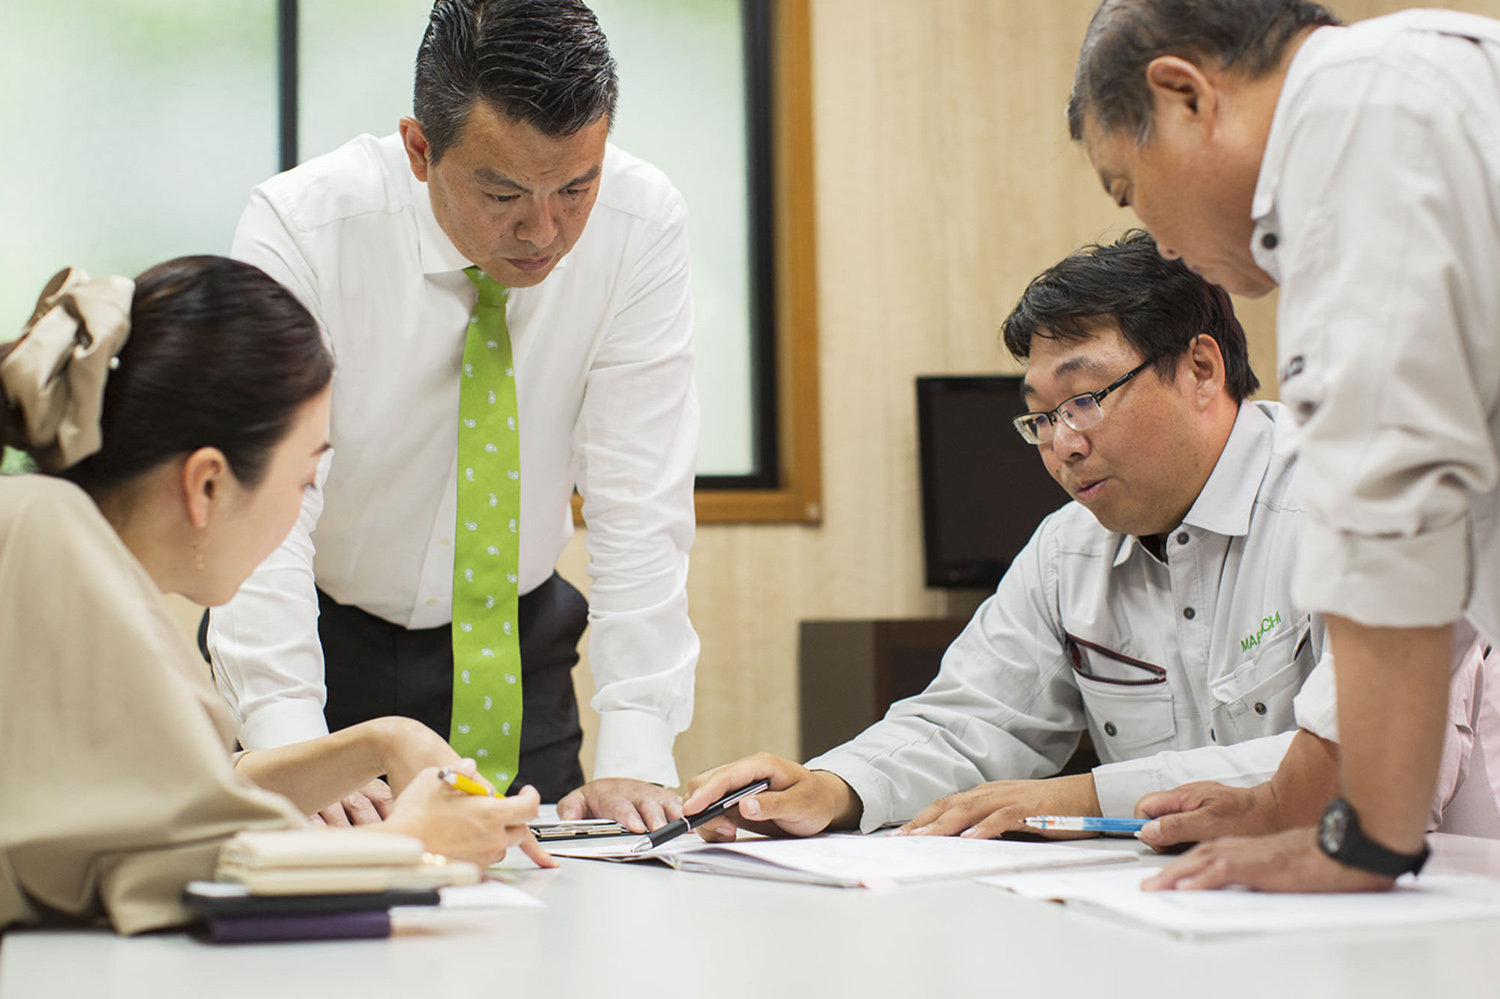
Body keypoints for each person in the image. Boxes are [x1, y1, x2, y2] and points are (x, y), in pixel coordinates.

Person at [209, 0, 699, 832]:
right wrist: (292, 745)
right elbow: (258, 508)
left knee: (542, 909)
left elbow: (638, 496)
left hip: (516, 644)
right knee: (313, 920)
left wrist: (637, 751)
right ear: (418, 148)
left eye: (576, 187)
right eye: (503, 191)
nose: (544, 230)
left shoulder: (641, 225)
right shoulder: (303, 229)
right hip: (318, 634)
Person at [685, 231, 1343, 840]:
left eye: (1086, 399)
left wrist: (1088, 795)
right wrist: (832, 787)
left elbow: (1356, 748)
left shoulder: (1338, 498)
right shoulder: (1068, 550)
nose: (1063, 445)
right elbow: (970, 721)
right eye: (1041, 418)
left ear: (1201, 368)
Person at [1068, 0, 1500, 892]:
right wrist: (1286, 803)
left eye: (1128, 186)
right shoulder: (1425, 80)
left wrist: (1362, 843)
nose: (1157, 239)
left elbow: (1395, 508)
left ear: (1184, 95)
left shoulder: (1358, 120)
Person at [0, 257, 552, 936]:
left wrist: (384, 739)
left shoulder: (54, 533)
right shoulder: (48, 534)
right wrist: (410, 839)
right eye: (306, 478)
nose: (302, 514)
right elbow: (189, 868)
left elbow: (155, 796)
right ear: (207, 483)